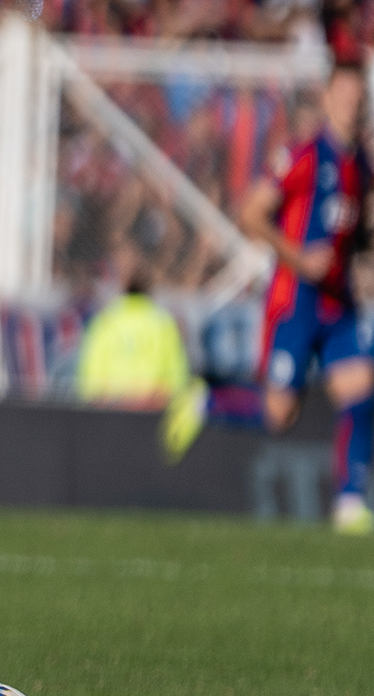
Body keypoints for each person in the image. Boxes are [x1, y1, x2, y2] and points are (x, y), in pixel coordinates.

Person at [164, 62, 374, 534]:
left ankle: (349, 503)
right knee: (279, 415)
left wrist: (360, 262)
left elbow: (353, 230)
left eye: (358, 97)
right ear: (326, 99)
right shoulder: (302, 155)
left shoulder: (361, 164)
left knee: (361, 389)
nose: (351, 104)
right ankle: (207, 401)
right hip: (294, 301)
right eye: (343, 95)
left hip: (338, 304)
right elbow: (250, 213)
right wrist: (298, 258)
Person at [75, 265, 190, 409]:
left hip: (112, 406)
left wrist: (99, 396)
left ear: (123, 288)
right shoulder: (163, 323)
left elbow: (91, 372)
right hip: (151, 407)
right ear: (150, 289)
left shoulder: (106, 320)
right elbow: (176, 376)